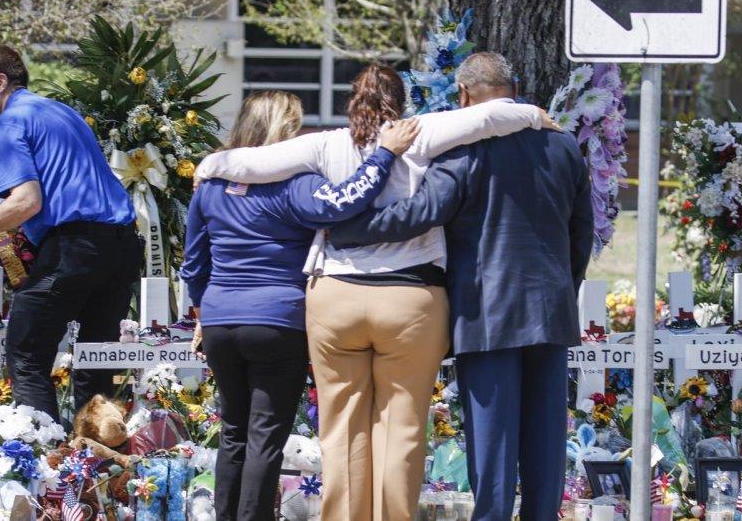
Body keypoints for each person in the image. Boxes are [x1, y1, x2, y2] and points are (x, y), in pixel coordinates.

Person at [193, 61, 557, 521]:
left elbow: (254, 162)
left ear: (351, 102)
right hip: (410, 297)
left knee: (342, 428)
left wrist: (209, 165)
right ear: (401, 102)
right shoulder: (420, 132)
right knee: (401, 428)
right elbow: (487, 116)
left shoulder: (324, 144)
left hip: (336, 296)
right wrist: (533, 115)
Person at [328, 52, 594, 520]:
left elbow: (422, 212)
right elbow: (581, 233)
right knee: (547, 438)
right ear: (514, 89)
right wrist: (563, 291)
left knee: (492, 445)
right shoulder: (563, 145)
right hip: (550, 310)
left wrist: (350, 229)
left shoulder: (466, 147)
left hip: (486, 310)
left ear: (464, 94)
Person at [180, 90, 418, 521]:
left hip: (219, 320)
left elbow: (194, 264)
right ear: (286, 132)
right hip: (277, 320)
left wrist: (201, 313)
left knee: (232, 431)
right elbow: (346, 201)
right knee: (265, 435)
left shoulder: (210, 187)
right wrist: (384, 156)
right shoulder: (296, 183)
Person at [0, 46, 140, 420]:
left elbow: (26, 202)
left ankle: (41, 452)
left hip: (76, 247)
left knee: (27, 353)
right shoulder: (61, 112)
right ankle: (94, 453)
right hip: (122, 246)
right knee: (94, 362)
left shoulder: (8, 123)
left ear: (0, 82)